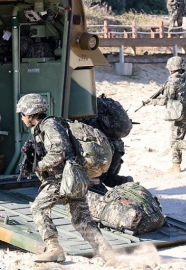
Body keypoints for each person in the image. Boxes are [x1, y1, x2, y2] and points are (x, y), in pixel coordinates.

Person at [16, 94, 114, 263]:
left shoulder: (49, 125)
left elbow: (59, 151)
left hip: (62, 179)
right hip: (74, 177)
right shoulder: (47, 127)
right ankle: (107, 253)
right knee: (81, 218)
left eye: (22, 114)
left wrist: (39, 166)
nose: (22, 118)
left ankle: (54, 249)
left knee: (38, 208)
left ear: (30, 114)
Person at [143, 56, 186, 172]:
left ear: (172, 68)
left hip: (178, 114)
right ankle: (176, 165)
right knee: (178, 138)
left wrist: (151, 101)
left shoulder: (172, 81)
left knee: (175, 141)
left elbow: (165, 101)